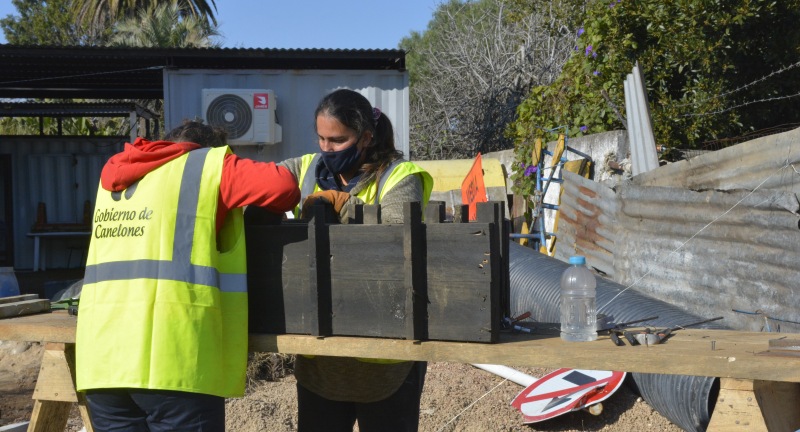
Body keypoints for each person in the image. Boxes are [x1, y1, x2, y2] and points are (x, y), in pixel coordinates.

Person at [75, 120, 300, 431]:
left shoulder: (116, 174)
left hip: (102, 362)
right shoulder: (207, 166)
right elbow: (285, 188)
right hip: (174, 363)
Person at [280, 88, 434, 432]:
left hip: (384, 360)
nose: (326, 148)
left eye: (337, 140)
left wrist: (343, 204)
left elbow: (397, 233)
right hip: (321, 360)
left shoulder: (399, 175)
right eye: (320, 138)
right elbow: (260, 183)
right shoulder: (305, 168)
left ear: (365, 137)